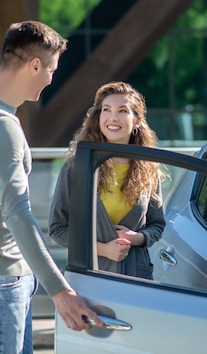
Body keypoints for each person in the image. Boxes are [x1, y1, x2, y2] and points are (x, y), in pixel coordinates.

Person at [0, 20, 102, 354]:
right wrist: (61, 292)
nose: (51, 78)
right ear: (35, 65)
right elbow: (17, 213)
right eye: (50, 69)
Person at [48, 81, 166, 279]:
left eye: (122, 111)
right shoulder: (77, 166)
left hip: (136, 278)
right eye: (107, 110)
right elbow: (57, 228)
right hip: (90, 277)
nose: (113, 117)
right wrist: (102, 249)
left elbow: (157, 225)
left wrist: (137, 238)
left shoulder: (148, 168)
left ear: (137, 121)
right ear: (98, 116)